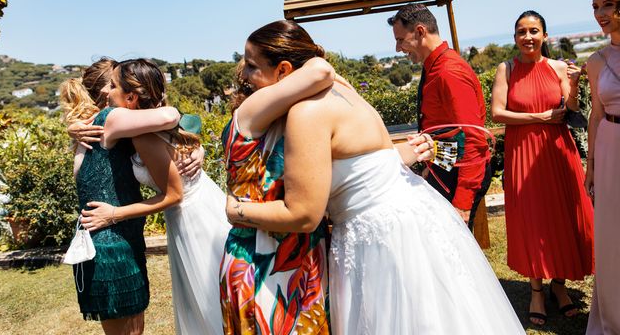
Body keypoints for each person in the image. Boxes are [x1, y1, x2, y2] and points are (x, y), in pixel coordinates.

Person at [224, 20, 525, 334]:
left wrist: (237, 211)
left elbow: (303, 214)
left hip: (377, 239)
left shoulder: (306, 112)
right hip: (417, 216)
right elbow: (366, 167)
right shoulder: (343, 88)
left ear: (284, 71)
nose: (244, 76)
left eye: (252, 67)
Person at [63, 59, 229, 335]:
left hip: (194, 214)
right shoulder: (117, 124)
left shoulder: (130, 127)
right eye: (110, 84)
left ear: (130, 96)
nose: (108, 93)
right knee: (206, 298)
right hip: (178, 215)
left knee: (211, 297)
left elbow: (181, 122)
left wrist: (197, 150)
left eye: (113, 86)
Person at [220, 43, 336, 334]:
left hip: (304, 259)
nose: (245, 75)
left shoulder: (298, 119)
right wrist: (238, 210)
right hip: (259, 261)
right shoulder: (249, 114)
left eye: (251, 67)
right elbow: (321, 72)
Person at [491, 11, 594, 326]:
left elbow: (570, 108)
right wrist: (540, 117)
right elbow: (497, 113)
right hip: (523, 152)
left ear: (545, 36)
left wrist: (574, 85)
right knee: (534, 220)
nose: (528, 37)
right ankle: (537, 291)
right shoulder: (506, 69)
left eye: (534, 31)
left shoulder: (558, 67)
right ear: (515, 38)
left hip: (557, 152)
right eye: (521, 32)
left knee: (562, 217)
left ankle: (559, 287)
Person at [387, 4, 491, 229]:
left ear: (420, 32)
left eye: (401, 40)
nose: (398, 48)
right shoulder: (435, 66)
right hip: (446, 167)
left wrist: (462, 203)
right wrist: (430, 168)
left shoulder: (449, 72)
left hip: (460, 176)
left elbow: (473, 139)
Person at [585, 0, 620, 335]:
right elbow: (595, 114)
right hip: (611, 147)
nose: (599, 14)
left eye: (606, 5)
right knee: (613, 238)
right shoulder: (595, 62)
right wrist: (590, 166)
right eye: (595, 7)